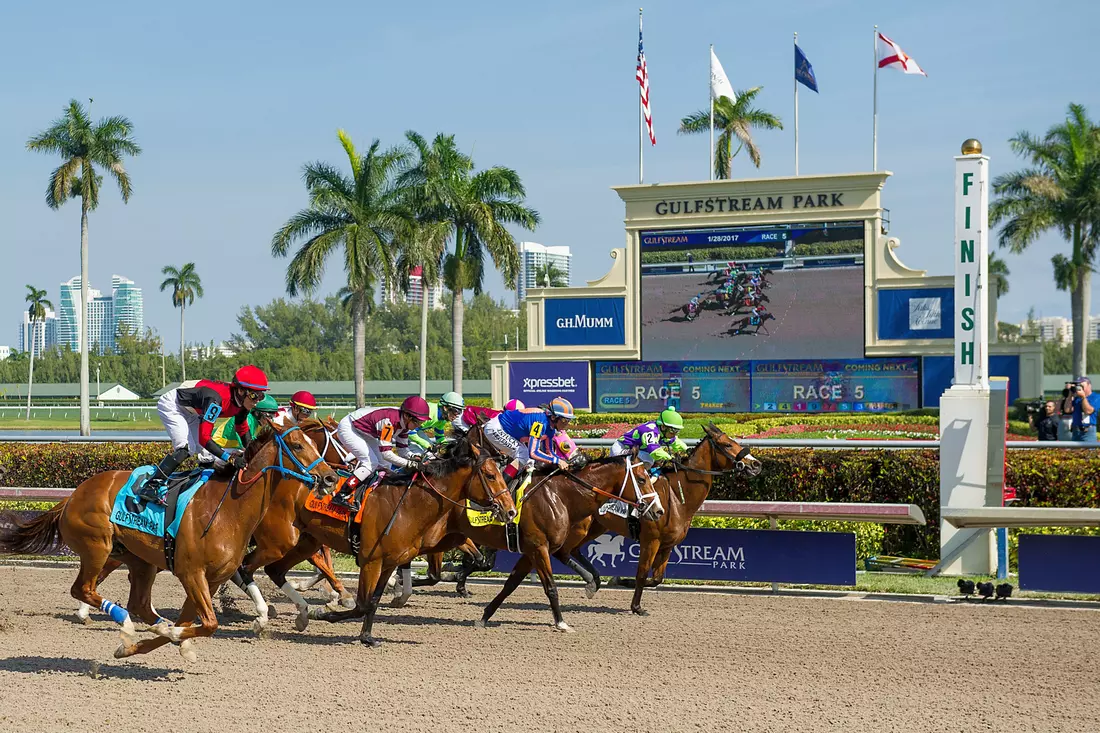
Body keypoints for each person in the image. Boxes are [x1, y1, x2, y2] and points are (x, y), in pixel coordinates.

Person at [138, 365, 269, 504]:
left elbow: (242, 428)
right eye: (255, 395)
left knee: (206, 454)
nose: (257, 402)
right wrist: (230, 458)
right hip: (174, 405)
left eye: (261, 396)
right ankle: (151, 486)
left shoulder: (243, 403)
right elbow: (204, 438)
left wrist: (253, 451)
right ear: (241, 390)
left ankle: (204, 485)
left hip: (193, 411)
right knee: (186, 449)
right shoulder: (216, 399)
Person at [330, 395, 431, 509]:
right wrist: (410, 464)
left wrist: (414, 457)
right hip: (349, 428)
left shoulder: (404, 425)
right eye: (418, 422)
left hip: (365, 431)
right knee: (370, 463)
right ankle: (342, 494)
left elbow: (402, 450)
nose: (419, 425)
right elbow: (386, 454)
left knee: (385, 465)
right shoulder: (389, 422)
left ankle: (371, 492)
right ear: (407, 416)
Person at [483, 397, 575, 482]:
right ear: (554, 417)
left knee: (527, 459)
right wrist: (557, 461)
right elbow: (533, 452)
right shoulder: (539, 424)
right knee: (524, 454)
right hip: (496, 428)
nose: (566, 424)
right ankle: (500, 486)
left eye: (568, 420)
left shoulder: (550, 429)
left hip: (507, 431)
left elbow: (549, 452)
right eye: (564, 420)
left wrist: (563, 461)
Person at [609, 408, 688, 467]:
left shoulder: (664, 432)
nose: (674, 433)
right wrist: (670, 457)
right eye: (673, 430)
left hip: (636, 451)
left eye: (677, 430)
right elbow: (654, 451)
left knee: (651, 461)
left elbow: (676, 442)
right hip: (620, 449)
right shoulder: (650, 431)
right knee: (649, 459)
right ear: (663, 427)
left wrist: (688, 450)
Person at [1070, 377, 1099, 443]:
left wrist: (1083, 397)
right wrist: (1070, 394)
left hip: (1088, 431)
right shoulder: (1076, 398)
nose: (1079, 388)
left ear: (1089, 385)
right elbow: (1067, 410)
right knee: (1074, 453)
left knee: (1088, 453)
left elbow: (1088, 411)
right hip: (1075, 431)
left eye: (1081, 386)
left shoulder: (1096, 397)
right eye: (1078, 386)